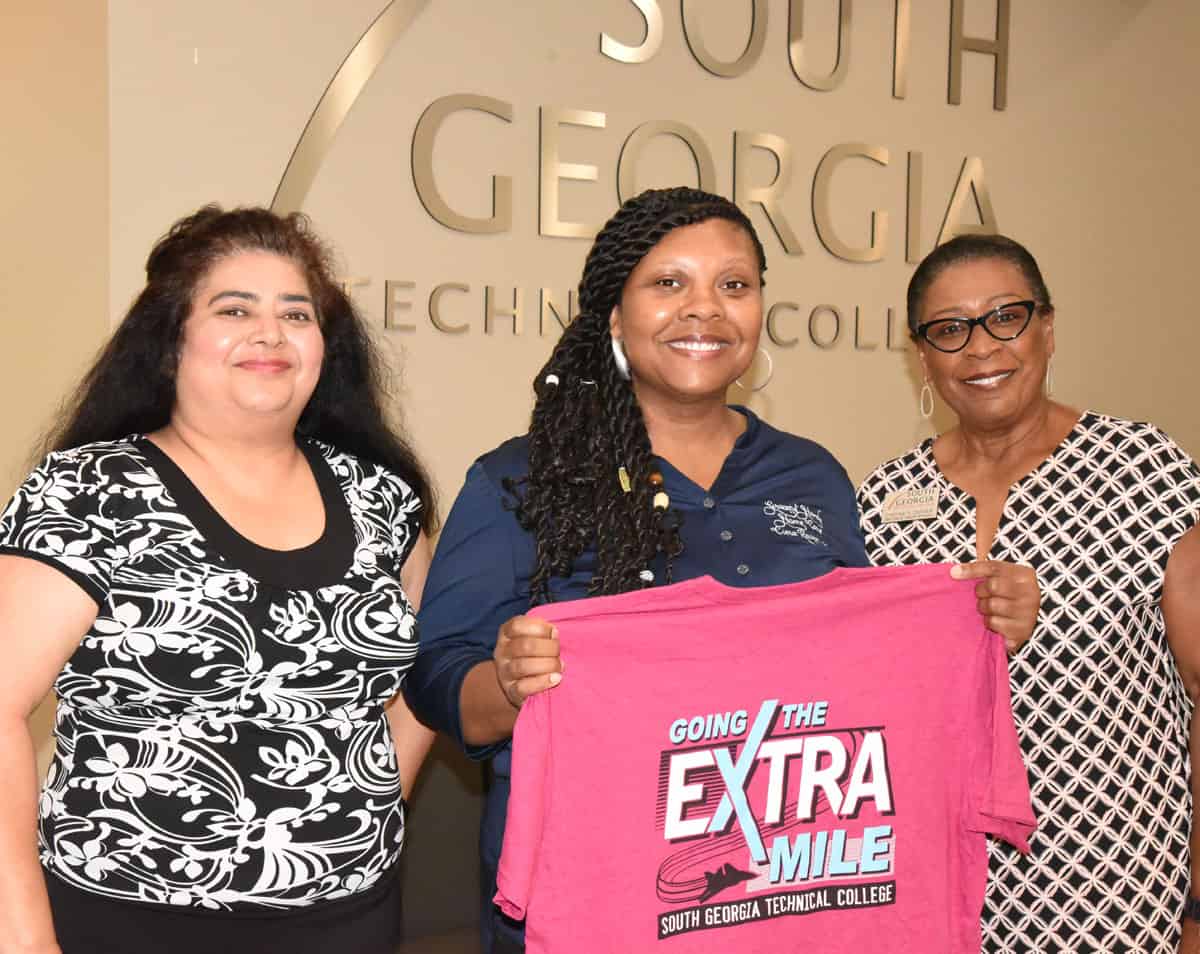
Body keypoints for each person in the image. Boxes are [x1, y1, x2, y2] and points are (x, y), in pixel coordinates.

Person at [403, 187, 1039, 953]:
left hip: (793, 900)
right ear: (613, 313)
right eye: (668, 284)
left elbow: (859, 678)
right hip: (595, 902)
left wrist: (975, 618)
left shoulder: (811, 475)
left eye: (733, 286)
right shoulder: (522, 479)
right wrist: (508, 684)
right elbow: (438, 677)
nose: (704, 310)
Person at [0, 206, 436, 954]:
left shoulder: (382, 500)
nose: (269, 333)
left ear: (324, 348)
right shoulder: (91, 491)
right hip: (128, 923)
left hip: (349, 921)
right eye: (234, 309)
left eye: (295, 314)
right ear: (171, 342)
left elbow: (424, 687)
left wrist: (361, 808)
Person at [856, 233, 1200, 952]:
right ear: (922, 354)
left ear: (1047, 327)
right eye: (950, 330)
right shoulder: (881, 501)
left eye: (1006, 317)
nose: (981, 348)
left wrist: (1199, 904)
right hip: (935, 893)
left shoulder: (1145, 471)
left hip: (1114, 892)